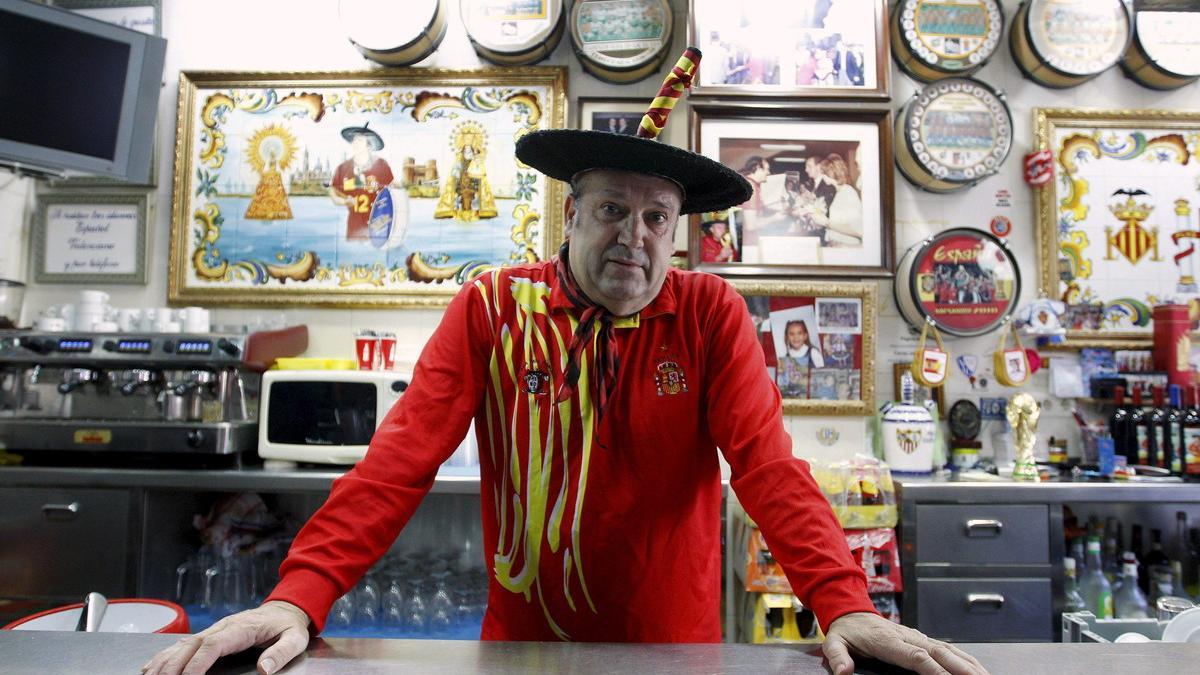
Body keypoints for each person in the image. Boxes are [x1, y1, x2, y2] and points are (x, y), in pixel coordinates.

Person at [144, 49, 987, 675]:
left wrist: (842, 600)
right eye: (613, 209)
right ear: (572, 215)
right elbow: (400, 461)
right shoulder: (491, 307)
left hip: (677, 650)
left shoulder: (709, 313)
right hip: (522, 653)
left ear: (678, 233)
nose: (635, 235)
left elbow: (766, 468)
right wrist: (299, 594)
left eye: (658, 217)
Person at [329, 122, 395, 240]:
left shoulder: (381, 165)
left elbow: (394, 193)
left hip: (379, 229)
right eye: (354, 140)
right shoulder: (342, 168)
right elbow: (333, 194)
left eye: (359, 140)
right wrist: (344, 201)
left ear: (369, 145)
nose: (355, 143)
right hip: (354, 229)